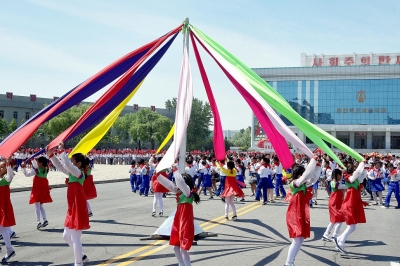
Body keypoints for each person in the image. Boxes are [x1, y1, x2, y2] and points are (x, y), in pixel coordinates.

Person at [47, 143, 90, 266]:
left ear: (79, 164)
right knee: (66, 236)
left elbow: (66, 164)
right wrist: (51, 155)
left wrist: (61, 150)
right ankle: (81, 256)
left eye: (73, 161)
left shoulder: (78, 173)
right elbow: (61, 166)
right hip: (72, 208)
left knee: (75, 238)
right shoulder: (72, 173)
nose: (70, 162)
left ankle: (78, 263)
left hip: (79, 208)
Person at [156, 165, 200, 266]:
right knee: (175, 247)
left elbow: (180, 182)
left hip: (185, 220)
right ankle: (181, 264)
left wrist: (175, 170)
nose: (176, 183)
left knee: (183, 248)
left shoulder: (188, 191)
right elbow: (168, 184)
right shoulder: (179, 191)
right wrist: (158, 175)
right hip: (178, 219)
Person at [284, 156, 320, 266]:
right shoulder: (295, 183)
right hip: (294, 214)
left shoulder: (303, 184)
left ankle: (291, 262)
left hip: (301, 213)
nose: (305, 175)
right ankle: (288, 263)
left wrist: (318, 166)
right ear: (299, 175)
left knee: (301, 240)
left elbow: (313, 178)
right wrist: (313, 160)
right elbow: (307, 175)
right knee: (296, 240)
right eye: (303, 173)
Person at [334, 160, 366, 254]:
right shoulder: (349, 178)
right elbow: (358, 173)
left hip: (353, 204)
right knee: (352, 226)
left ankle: (339, 239)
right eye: (355, 170)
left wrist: (364, 164)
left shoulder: (355, 180)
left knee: (352, 226)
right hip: (349, 204)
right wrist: (361, 164)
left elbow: (362, 174)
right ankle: (341, 242)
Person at [21, 157, 52, 229]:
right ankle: (45, 219)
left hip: (38, 189)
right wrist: (32, 160)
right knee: (41, 206)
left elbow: (27, 174)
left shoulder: (38, 170)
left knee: (37, 206)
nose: (37, 163)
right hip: (43, 189)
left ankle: (38, 222)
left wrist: (23, 167)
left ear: (41, 163)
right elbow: (36, 165)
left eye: (38, 161)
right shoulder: (46, 169)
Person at [0, 156, 17, 262]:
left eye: (2, 167)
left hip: (2, 206)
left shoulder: (6, 179)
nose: (0, 168)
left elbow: (10, 175)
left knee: (3, 229)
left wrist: (8, 163)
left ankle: (10, 249)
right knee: (2, 230)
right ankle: (10, 249)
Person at [322, 169, 346, 241]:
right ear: (338, 175)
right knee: (340, 219)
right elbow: (344, 186)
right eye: (341, 175)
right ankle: (334, 235)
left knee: (334, 220)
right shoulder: (334, 183)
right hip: (335, 203)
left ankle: (326, 234)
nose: (341, 176)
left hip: (336, 203)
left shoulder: (337, 182)